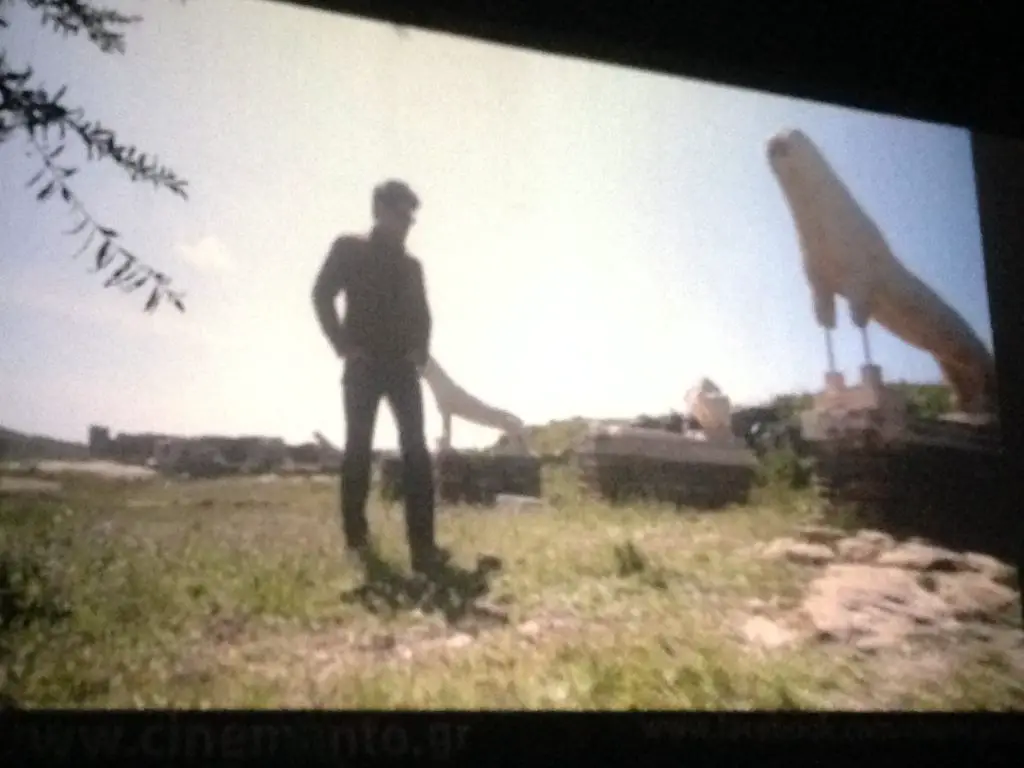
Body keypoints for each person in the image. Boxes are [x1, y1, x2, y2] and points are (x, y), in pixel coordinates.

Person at [312, 180, 447, 573]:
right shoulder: (349, 249)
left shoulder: (411, 266)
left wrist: (419, 352)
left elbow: (424, 316)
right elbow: (321, 293)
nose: (408, 223)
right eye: (402, 214)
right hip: (363, 366)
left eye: (412, 217)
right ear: (379, 211)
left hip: (402, 369)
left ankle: (424, 548)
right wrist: (342, 345)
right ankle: (358, 543)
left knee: (417, 454)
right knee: (358, 450)